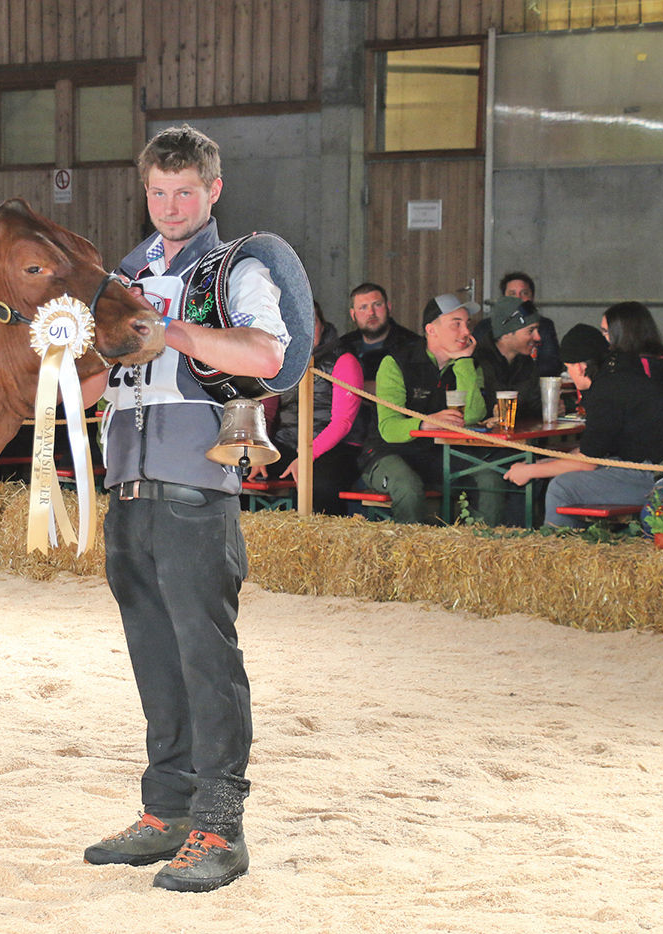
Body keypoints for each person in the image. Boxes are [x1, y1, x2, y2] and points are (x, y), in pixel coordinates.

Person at [80, 125, 293, 894]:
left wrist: (165, 330)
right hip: (126, 489)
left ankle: (220, 828)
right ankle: (166, 811)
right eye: (158, 191)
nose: (170, 205)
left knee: (208, 660)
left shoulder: (235, 266)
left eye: (185, 191)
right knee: (155, 659)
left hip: (196, 491)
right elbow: (99, 382)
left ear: (213, 191)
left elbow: (267, 356)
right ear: (146, 191)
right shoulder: (123, 273)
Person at [504, 324, 663, 526]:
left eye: (568, 368)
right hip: (660, 467)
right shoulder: (620, 374)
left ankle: (560, 551)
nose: (569, 374)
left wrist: (528, 471)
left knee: (562, 488)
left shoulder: (605, 391)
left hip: (660, 476)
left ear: (581, 367)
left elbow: (587, 461)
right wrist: (539, 465)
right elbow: (592, 451)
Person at [357, 292, 507, 525]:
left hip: (441, 454)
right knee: (408, 487)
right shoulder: (396, 363)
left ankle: (481, 553)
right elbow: (388, 428)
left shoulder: (469, 362)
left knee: (491, 479)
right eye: (456, 324)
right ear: (431, 330)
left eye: (467, 324)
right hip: (389, 452)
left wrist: (464, 362)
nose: (466, 332)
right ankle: (408, 557)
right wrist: (427, 422)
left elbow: (473, 416)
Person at [251, 303, 365, 515]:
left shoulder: (343, 359)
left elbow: (343, 422)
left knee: (320, 485)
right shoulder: (281, 359)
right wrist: (259, 452)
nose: (305, 330)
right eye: (296, 324)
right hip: (287, 442)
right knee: (243, 472)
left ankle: (329, 542)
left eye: (312, 323)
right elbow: (266, 412)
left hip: (335, 447)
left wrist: (305, 457)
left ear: (322, 325)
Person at [600, 301, 663, 414]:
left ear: (624, 334)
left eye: (606, 332)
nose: (603, 338)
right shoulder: (662, 357)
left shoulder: (643, 366)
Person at [474, 296, 544, 421]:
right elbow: (483, 410)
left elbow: (534, 407)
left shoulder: (526, 362)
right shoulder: (477, 362)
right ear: (506, 334)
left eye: (537, 330)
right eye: (531, 331)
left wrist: (553, 407)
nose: (538, 337)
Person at [337, 282, 423, 382]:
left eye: (377, 305)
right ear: (353, 314)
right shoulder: (342, 346)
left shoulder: (413, 345)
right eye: (363, 307)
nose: (371, 313)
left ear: (388, 307)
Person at [499, 272, 561, 376]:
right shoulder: (486, 327)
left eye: (524, 293)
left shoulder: (545, 326)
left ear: (532, 298)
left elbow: (552, 365)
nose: (518, 299)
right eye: (512, 294)